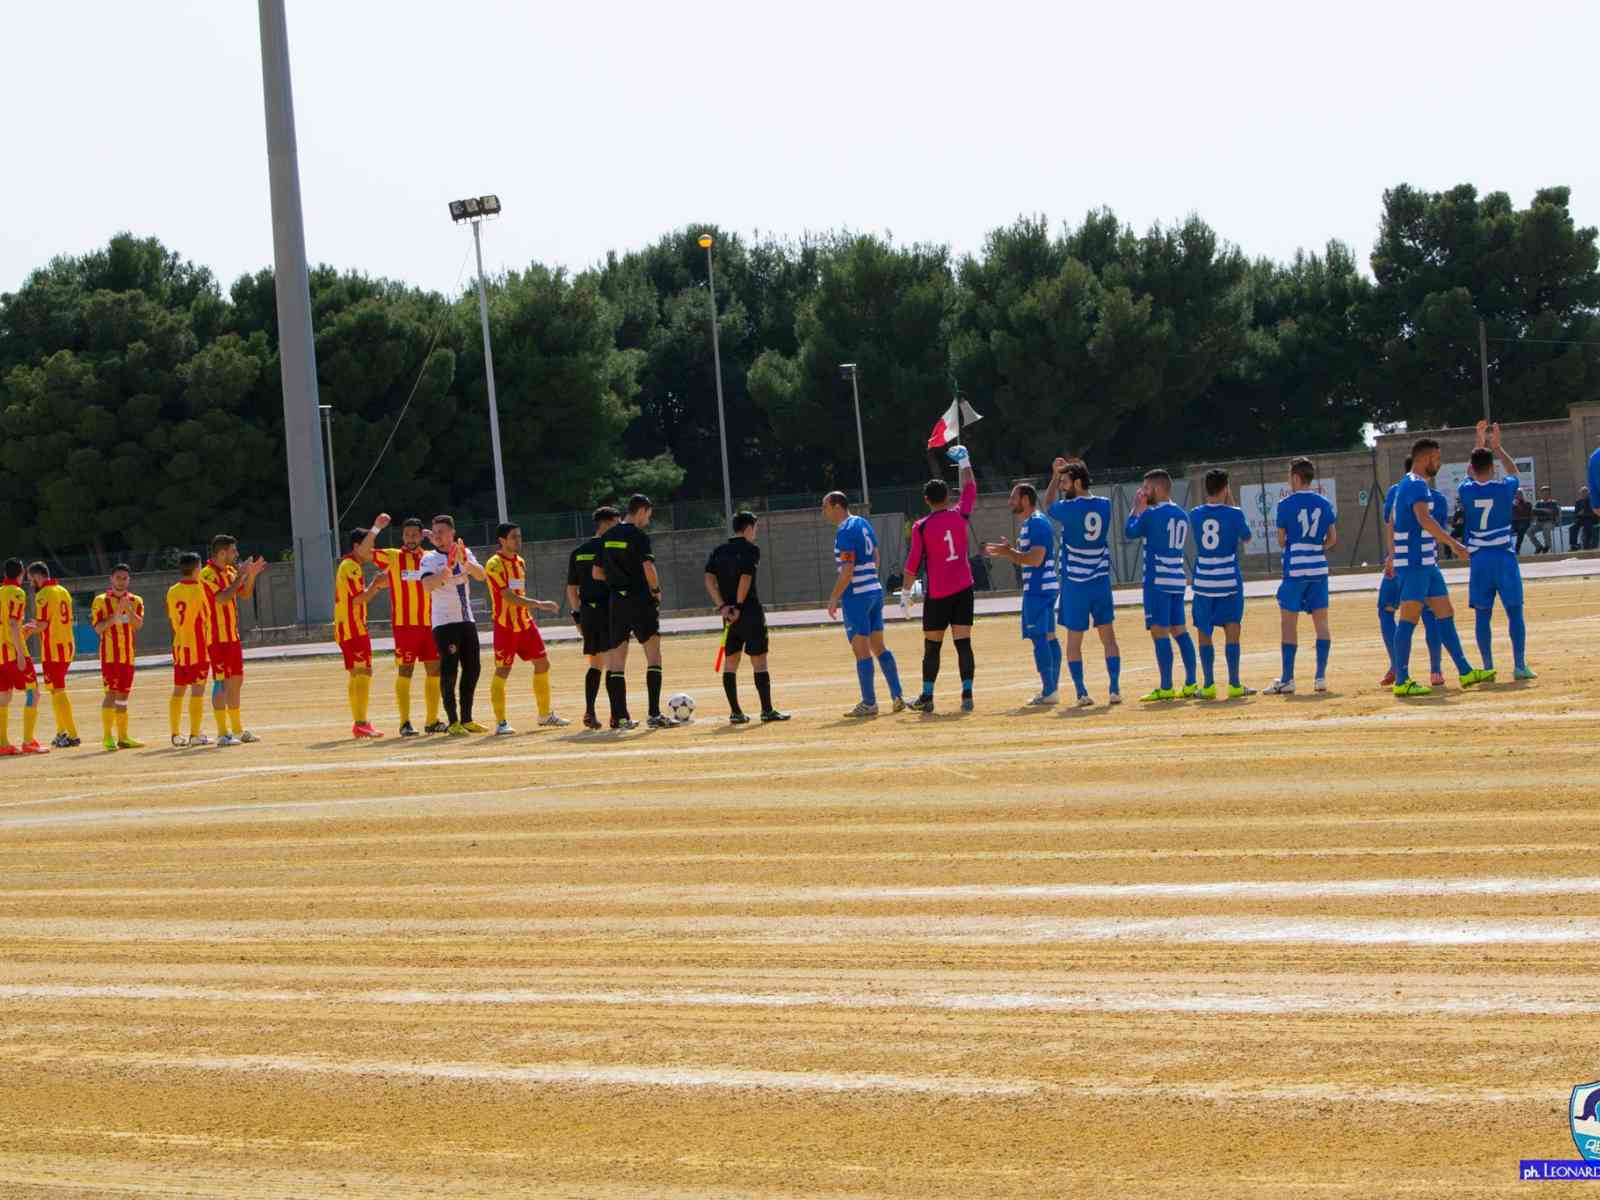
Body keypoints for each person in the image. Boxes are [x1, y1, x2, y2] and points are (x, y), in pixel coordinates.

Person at [1389, 437, 1493, 696]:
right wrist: (1454, 544)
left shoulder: (1410, 485)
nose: (1439, 462)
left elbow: (1398, 521)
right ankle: (1401, 680)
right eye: (1436, 458)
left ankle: (1465, 670)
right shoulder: (1416, 485)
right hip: (1414, 563)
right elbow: (1424, 519)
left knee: (1445, 613)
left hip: (1425, 562)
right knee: (1409, 619)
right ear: (1425, 459)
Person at [903, 445, 979, 713]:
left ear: (926, 500)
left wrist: (904, 594)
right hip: (963, 589)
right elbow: (970, 489)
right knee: (963, 643)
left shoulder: (921, 527)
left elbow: (912, 563)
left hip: (939, 594)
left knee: (932, 646)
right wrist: (965, 461)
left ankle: (927, 696)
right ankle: (967, 694)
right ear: (948, 496)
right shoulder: (960, 516)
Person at [1043, 458, 1121, 706]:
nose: (1063, 486)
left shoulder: (1068, 508)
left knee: (1074, 641)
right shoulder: (1105, 505)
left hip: (1075, 583)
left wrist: (1054, 476)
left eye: (1066, 482)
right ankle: (1115, 689)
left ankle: (1081, 692)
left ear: (1076, 482)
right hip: (1099, 580)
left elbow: (1048, 504)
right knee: (1108, 638)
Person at [1459, 421, 1534, 680]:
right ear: (1492, 467)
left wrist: (1479, 443)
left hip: (1479, 560)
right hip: (1503, 556)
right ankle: (1520, 665)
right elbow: (1514, 472)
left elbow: (1470, 471)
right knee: (1514, 611)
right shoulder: (1503, 488)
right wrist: (1498, 447)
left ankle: (1488, 666)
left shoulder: (1465, 489)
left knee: (1482, 614)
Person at [824, 492, 904, 717]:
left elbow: (847, 570)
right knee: (879, 646)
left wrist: (833, 597)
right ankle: (897, 695)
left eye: (825, 507)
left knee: (861, 651)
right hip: (874, 591)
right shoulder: (863, 523)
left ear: (837, 506)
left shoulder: (845, 531)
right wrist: (869, 578)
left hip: (857, 596)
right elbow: (876, 556)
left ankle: (869, 703)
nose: (824, 512)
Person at [704, 511, 789, 724]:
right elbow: (745, 577)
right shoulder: (751, 549)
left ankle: (735, 712)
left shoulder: (719, 550)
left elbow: (708, 579)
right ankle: (767, 710)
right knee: (759, 661)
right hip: (749, 612)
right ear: (749, 527)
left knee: (730, 662)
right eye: (755, 528)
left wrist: (723, 606)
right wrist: (739, 606)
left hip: (728, 616)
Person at [1264, 458, 1338, 695]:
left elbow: (1282, 540)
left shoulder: (1285, 504)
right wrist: (1316, 547)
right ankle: (1320, 677)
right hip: (1318, 568)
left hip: (1295, 570)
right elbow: (1333, 538)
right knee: (1322, 624)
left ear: (1295, 478)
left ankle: (1288, 679)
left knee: (1289, 624)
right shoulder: (1324, 503)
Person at [484, 522, 566, 734]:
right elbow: (509, 597)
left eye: (519, 536)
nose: (518, 541)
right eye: (514, 537)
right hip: (505, 626)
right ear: (502, 540)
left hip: (525, 623)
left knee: (543, 664)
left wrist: (532, 609)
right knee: (503, 670)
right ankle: (501, 722)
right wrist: (539, 604)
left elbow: (518, 593)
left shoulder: (520, 561)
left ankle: (545, 714)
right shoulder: (494, 564)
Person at [983, 483, 1061, 705]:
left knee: (1039, 638)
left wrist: (1010, 553)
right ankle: (1051, 689)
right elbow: (1027, 556)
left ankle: (1049, 690)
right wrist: (1010, 552)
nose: (1010, 502)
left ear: (1025, 499)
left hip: (1038, 589)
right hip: (1043, 587)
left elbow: (1035, 559)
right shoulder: (1033, 522)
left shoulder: (1036, 522)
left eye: (1013, 498)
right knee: (1049, 636)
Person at [1124, 469, 1198, 701]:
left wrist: (1137, 507)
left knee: (1159, 632)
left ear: (1156, 489)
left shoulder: (1151, 513)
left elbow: (1129, 531)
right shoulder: (1181, 514)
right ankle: (1191, 683)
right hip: (1176, 578)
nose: (1142, 492)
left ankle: (1166, 687)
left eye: (1146, 488)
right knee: (1180, 631)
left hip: (1157, 580)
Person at [599, 494, 669, 730]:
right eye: (649, 514)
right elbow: (648, 567)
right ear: (642, 511)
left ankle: (620, 718)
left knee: (617, 662)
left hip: (616, 602)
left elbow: (596, 574)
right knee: (654, 655)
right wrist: (656, 590)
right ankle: (654, 714)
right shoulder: (638, 536)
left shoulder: (607, 536)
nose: (648, 519)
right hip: (639, 599)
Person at [373, 518, 444, 736]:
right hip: (405, 626)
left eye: (415, 534)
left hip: (430, 624)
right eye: (407, 535)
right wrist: (377, 528)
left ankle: (432, 720)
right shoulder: (394, 557)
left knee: (434, 670)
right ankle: (405, 723)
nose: (411, 538)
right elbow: (366, 551)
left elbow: (451, 560)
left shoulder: (430, 557)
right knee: (406, 670)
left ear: (421, 535)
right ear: (402, 536)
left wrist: (435, 541)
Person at [1187, 470, 1255, 699]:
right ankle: (1234, 684)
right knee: (1232, 628)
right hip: (1229, 580)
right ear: (1226, 488)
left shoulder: (1195, 514)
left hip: (1205, 581)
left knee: (1204, 631)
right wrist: (1232, 501)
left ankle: (1208, 685)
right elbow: (1246, 537)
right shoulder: (1234, 514)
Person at [1378, 457, 1441, 688]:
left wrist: (1392, 556)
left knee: (1387, 610)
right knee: (1429, 614)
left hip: (1400, 564)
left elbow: (1390, 525)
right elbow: (1436, 530)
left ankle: (1397, 665)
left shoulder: (1396, 491)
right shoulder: (1437, 497)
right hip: (1427, 564)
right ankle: (1436, 669)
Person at [420, 514, 486, 734]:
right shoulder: (429, 558)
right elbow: (427, 586)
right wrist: (443, 572)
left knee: (473, 668)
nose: (437, 536)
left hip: (467, 620)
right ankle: (453, 721)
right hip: (444, 623)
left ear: (452, 533)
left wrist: (465, 563)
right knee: (449, 670)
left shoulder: (464, 552)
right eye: (435, 532)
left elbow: (482, 575)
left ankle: (467, 718)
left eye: (442, 532)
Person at [199, 535, 267, 745]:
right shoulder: (207, 574)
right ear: (222, 553)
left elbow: (244, 594)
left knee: (236, 680)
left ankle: (237, 729)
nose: (236, 555)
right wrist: (240, 576)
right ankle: (222, 733)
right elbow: (222, 598)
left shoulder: (230, 571)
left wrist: (251, 575)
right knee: (221, 682)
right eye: (233, 551)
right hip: (216, 638)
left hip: (232, 636)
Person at [338, 519, 394, 738]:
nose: (370, 551)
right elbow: (356, 600)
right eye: (367, 547)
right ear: (356, 547)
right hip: (352, 627)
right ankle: (360, 722)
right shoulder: (350, 566)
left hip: (350, 626)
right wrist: (376, 585)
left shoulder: (350, 565)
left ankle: (359, 722)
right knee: (363, 672)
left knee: (357, 672)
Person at [566, 506, 620, 730]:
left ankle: (590, 711)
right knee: (612, 664)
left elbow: (571, 588)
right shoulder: (609, 549)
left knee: (596, 663)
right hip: (608, 611)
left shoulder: (578, 551)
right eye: (616, 523)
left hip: (587, 612)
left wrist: (577, 616)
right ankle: (616, 715)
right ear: (606, 524)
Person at [25, 562, 79, 747]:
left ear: (38, 576)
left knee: (58, 690)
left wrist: (27, 630)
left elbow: (43, 625)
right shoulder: (62, 590)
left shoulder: (43, 595)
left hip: (53, 647)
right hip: (68, 644)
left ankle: (72, 734)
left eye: (30, 579)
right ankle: (62, 732)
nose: (30, 582)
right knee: (56, 690)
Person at [90, 565, 143, 751]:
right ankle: (107, 737)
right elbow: (98, 628)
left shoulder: (135, 601)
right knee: (110, 694)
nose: (122, 581)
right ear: (111, 579)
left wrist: (128, 610)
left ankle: (123, 736)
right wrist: (115, 614)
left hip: (128, 656)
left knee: (123, 696)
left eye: (125, 578)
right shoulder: (100, 600)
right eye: (119, 577)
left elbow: (137, 625)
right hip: (110, 656)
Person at [166, 552, 215, 747]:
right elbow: (205, 618)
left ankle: (175, 734)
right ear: (197, 568)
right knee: (197, 691)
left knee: (178, 690)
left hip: (179, 646)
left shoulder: (172, 591)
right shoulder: (199, 590)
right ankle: (195, 734)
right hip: (198, 648)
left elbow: (172, 616)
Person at [0, 560, 43, 755]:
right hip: (13, 652)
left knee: (3, 696)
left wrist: (21, 631)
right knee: (33, 693)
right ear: (23, 573)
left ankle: (3, 743)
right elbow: (12, 623)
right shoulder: (17, 593)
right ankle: (28, 741)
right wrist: (19, 652)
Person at [1532, 487, 1560, 553]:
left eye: (1547, 493)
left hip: (1549, 522)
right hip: (1539, 522)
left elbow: (1554, 512)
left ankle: (1547, 546)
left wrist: (1542, 511)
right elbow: (1534, 512)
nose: (1545, 495)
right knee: (1529, 531)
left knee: (1546, 528)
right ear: (1541, 494)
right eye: (1543, 493)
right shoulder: (1538, 503)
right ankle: (1538, 546)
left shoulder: (1553, 503)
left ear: (1549, 494)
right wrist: (1545, 511)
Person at [1571, 486, 1597, 552]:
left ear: (1588, 493)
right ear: (1580, 493)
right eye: (1582, 492)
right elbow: (1575, 513)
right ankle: (1574, 544)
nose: (1584, 494)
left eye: (1585, 492)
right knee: (1573, 527)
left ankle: (1588, 545)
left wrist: (1585, 513)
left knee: (1587, 525)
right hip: (1580, 519)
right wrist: (1579, 513)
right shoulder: (1578, 502)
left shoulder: (1592, 501)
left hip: (1590, 518)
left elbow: (1594, 512)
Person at [1512, 488, 1534, 554]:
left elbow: (1527, 513)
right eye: (1516, 494)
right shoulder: (1511, 504)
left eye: (1519, 494)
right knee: (1507, 531)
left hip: (1524, 521)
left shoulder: (1527, 504)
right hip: (1514, 522)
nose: (1517, 495)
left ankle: (1517, 550)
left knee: (1521, 530)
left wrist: (1518, 506)